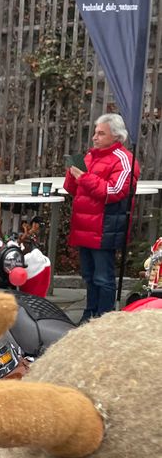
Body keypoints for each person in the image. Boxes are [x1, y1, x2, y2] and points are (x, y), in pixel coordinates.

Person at [64, 113, 138, 322]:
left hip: (105, 227)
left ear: (116, 136)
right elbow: (73, 189)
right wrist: (72, 173)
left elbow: (114, 191)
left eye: (101, 133)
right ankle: (89, 313)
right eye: (95, 132)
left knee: (103, 278)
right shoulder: (89, 156)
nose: (95, 137)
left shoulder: (125, 160)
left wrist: (84, 177)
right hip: (84, 225)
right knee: (88, 276)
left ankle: (103, 319)